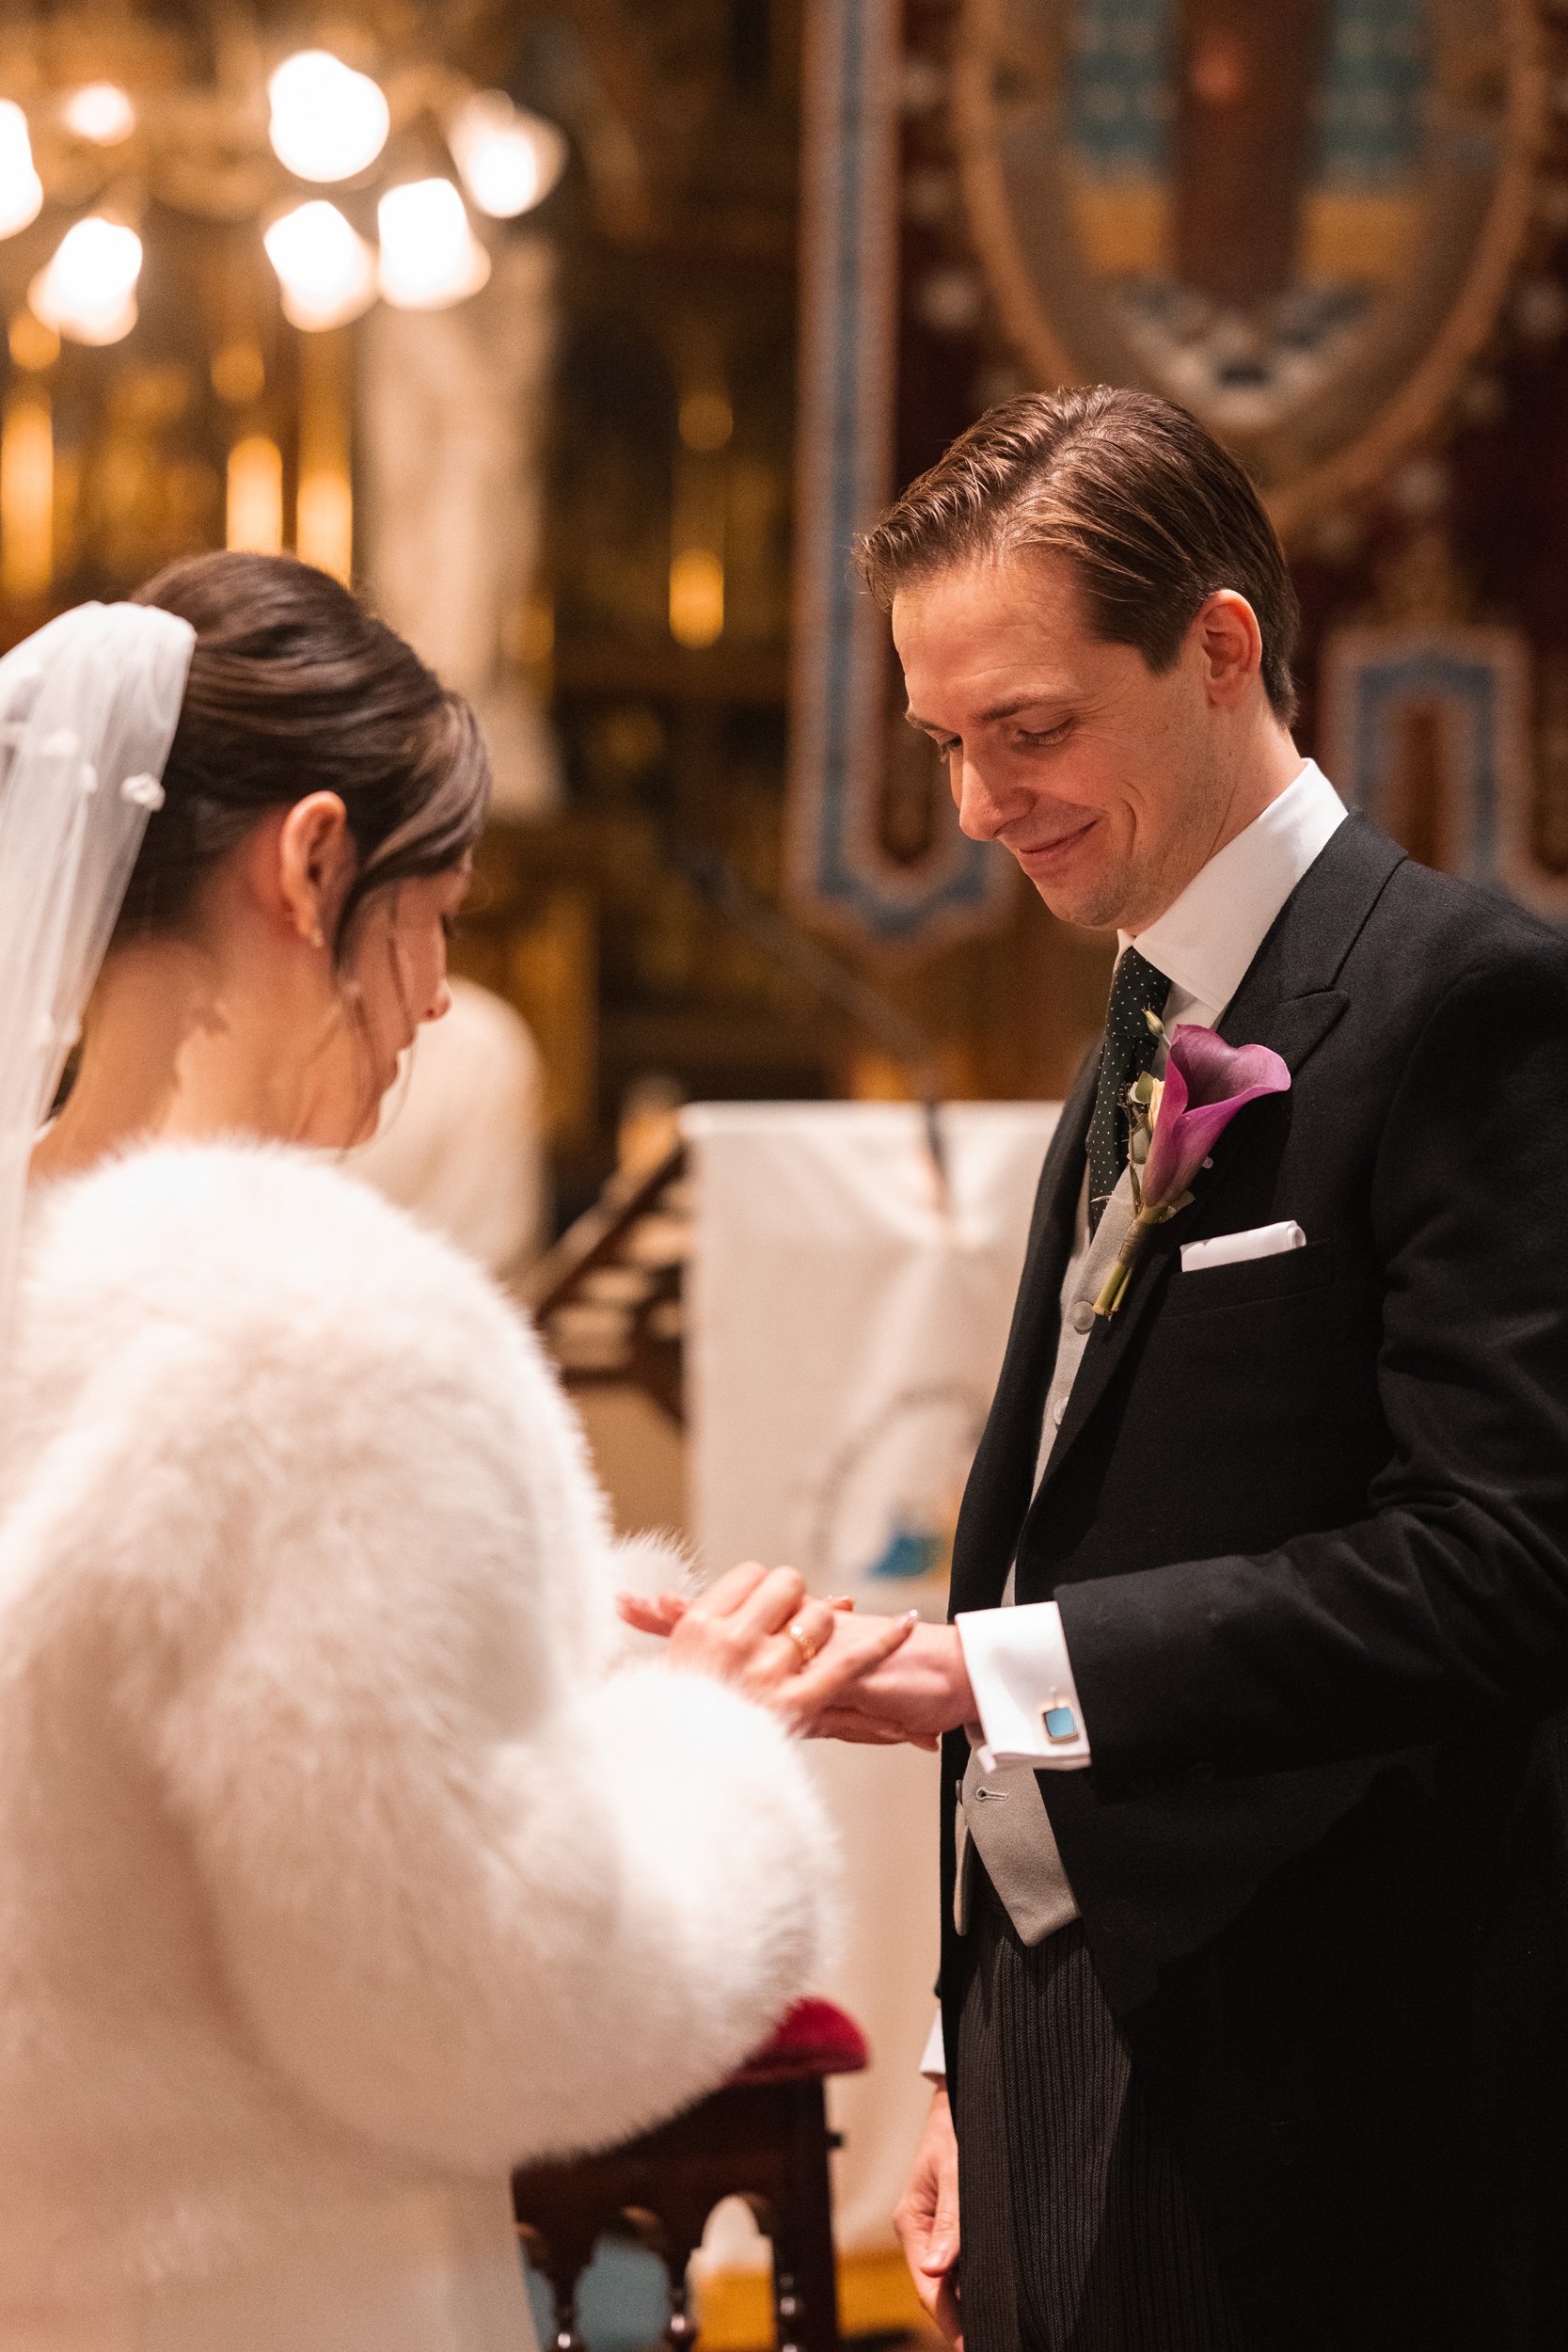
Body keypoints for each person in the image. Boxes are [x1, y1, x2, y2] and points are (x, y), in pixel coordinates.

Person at [625, 389, 1568, 2348]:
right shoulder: (1147, 1003)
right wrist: (981, 2053)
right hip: (1074, 2012)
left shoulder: (1464, 1001)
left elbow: (1503, 1561)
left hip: (1321, 2069)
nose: (979, 802)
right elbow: (1069, 1497)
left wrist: (979, 1669)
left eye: (1029, 728)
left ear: (1222, 650)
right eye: (947, 742)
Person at [0, 552, 913, 2352]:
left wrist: (563, 1648)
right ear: (315, 859)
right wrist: (714, 1740)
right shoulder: (312, 1326)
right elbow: (473, 2007)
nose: (436, 1005)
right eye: (442, 918)